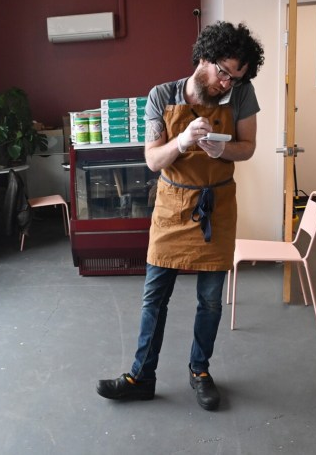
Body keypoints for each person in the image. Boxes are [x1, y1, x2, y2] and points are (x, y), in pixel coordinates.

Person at [96, 21, 265, 410]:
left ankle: (200, 371)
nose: (227, 83)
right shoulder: (161, 96)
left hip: (217, 207)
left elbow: (249, 147)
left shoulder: (242, 94)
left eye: (236, 77)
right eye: (223, 72)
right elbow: (153, 160)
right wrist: (183, 140)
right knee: (154, 298)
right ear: (204, 57)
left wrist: (224, 151)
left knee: (210, 302)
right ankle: (141, 376)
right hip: (173, 208)